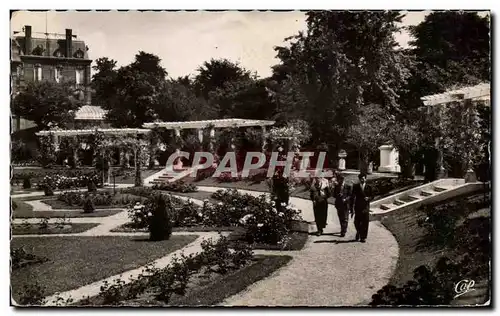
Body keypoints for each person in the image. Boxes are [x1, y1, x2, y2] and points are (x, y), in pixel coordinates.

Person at [350, 173, 373, 242]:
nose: (362, 180)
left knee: (365, 222)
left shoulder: (369, 187)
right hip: (358, 207)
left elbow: (372, 196)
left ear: (365, 179)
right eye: (361, 178)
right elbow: (352, 197)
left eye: (364, 178)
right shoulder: (356, 187)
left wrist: (368, 198)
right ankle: (359, 232)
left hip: (365, 207)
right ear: (359, 179)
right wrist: (352, 208)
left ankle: (363, 237)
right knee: (356, 222)